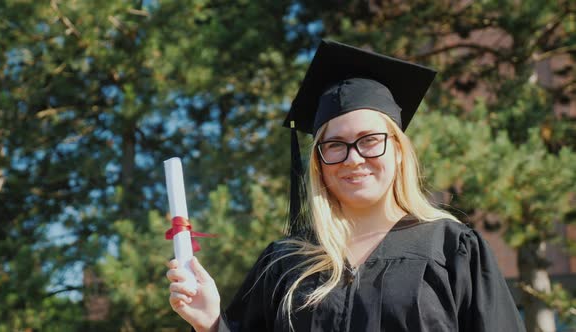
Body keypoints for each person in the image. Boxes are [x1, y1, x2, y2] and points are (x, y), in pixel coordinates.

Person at [166, 40, 526, 332]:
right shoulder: (286, 262)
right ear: (319, 163)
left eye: (370, 140)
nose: (353, 158)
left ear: (399, 151)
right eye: (334, 146)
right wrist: (211, 323)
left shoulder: (453, 250)